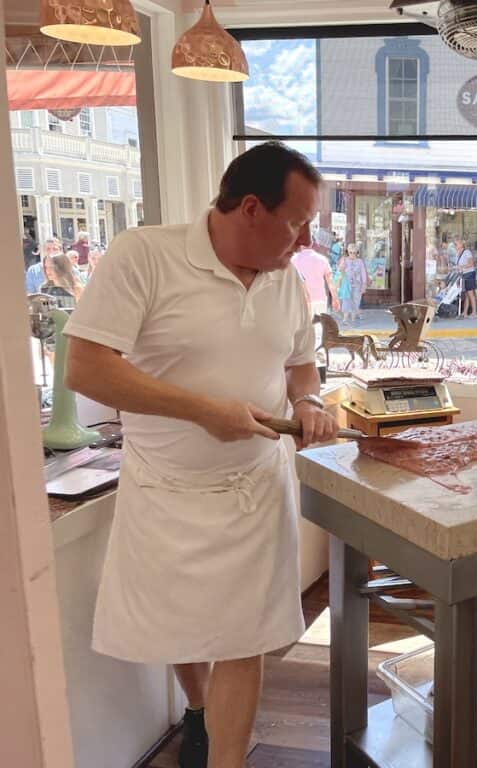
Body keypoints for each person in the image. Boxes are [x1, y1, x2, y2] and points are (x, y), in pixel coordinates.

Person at [63, 141, 338, 768]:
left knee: (246, 639)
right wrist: (203, 410)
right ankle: (197, 709)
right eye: (297, 222)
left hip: (255, 488)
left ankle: (226, 760)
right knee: (181, 625)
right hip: (168, 486)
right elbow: (86, 367)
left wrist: (310, 404)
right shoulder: (145, 256)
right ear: (250, 208)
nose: (303, 241)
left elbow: (300, 365)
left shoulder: (286, 282)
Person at [292, 244, 338, 316]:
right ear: (312, 243)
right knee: (319, 326)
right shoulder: (322, 259)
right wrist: (335, 298)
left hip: (300, 299)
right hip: (320, 299)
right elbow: (330, 281)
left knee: (303, 326)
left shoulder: (293, 260)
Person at [336, 243, 369, 324]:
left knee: (356, 300)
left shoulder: (360, 261)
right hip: (347, 284)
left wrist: (364, 284)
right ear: (348, 252)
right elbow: (339, 270)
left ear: (357, 252)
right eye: (351, 252)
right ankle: (345, 318)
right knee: (346, 300)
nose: (352, 254)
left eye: (354, 253)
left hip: (358, 284)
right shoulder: (345, 260)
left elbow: (363, 273)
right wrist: (342, 265)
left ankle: (353, 317)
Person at [455, 236, 477, 318]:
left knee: (470, 294)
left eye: (456, 244)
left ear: (461, 244)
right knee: (467, 294)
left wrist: (461, 267)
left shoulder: (467, 252)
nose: (455, 245)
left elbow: (471, 264)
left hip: (470, 274)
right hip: (464, 274)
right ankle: (465, 312)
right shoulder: (458, 253)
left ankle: (474, 313)